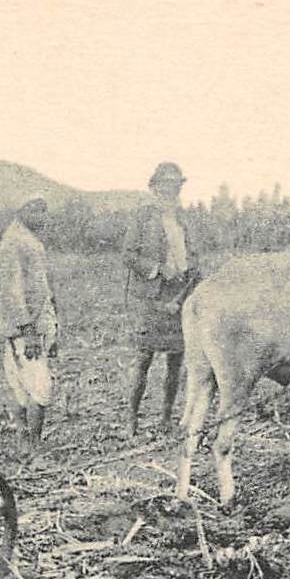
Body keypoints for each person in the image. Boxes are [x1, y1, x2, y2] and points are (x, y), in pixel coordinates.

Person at [122, 161, 200, 438]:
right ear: (154, 187)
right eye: (166, 184)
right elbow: (129, 254)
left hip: (177, 295)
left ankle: (166, 417)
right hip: (150, 298)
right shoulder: (143, 217)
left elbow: (193, 254)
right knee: (143, 359)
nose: (171, 189)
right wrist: (157, 268)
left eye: (176, 185)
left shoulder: (182, 219)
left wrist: (190, 273)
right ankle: (131, 420)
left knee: (176, 361)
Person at [0, 196, 59, 460]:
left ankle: (27, 441)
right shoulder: (15, 241)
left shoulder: (27, 239)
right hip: (25, 329)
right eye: (35, 210)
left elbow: (41, 288)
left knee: (23, 386)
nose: (41, 216)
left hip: (34, 324)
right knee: (39, 389)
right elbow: (13, 291)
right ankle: (31, 444)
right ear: (21, 210)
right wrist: (29, 330)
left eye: (44, 210)